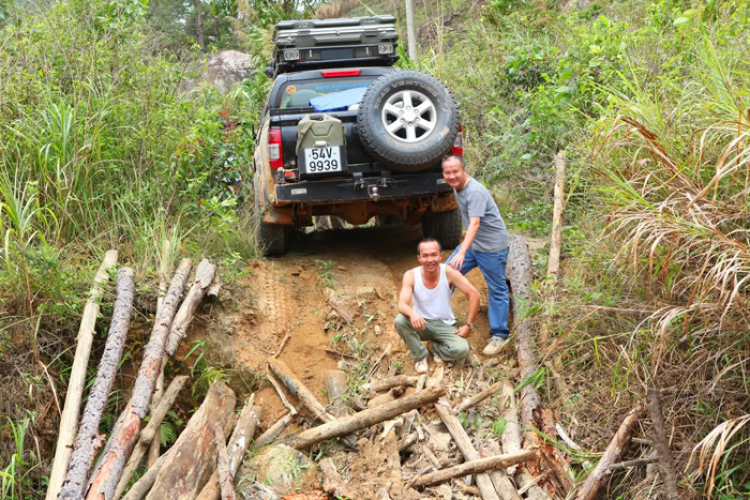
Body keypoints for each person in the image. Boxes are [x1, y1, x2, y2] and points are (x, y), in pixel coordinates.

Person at [442, 155, 511, 356]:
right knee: (446, 274)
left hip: (491, 247)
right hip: (475, 244)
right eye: (448, 172)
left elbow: (475, 223)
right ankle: (439, 320)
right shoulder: (457, 187)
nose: (452, 176)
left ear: (465, 170)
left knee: (497, 289)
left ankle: (499, 335)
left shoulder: (474, 192)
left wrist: (462, 251)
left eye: (456, 171)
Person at [394, 238, 480, 374]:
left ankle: (434, 347)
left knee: (461, 350)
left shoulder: (448, 272)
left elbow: (474, 294)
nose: (430, 260)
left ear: (440, 256)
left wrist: (469, 325)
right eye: (425, 256)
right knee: (400, 320)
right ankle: (420, 357)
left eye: (434, 255)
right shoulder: (411, 275)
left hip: (445, 324)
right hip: (421, 323)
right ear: (419, 258)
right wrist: (413, 313)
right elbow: (402, 304)